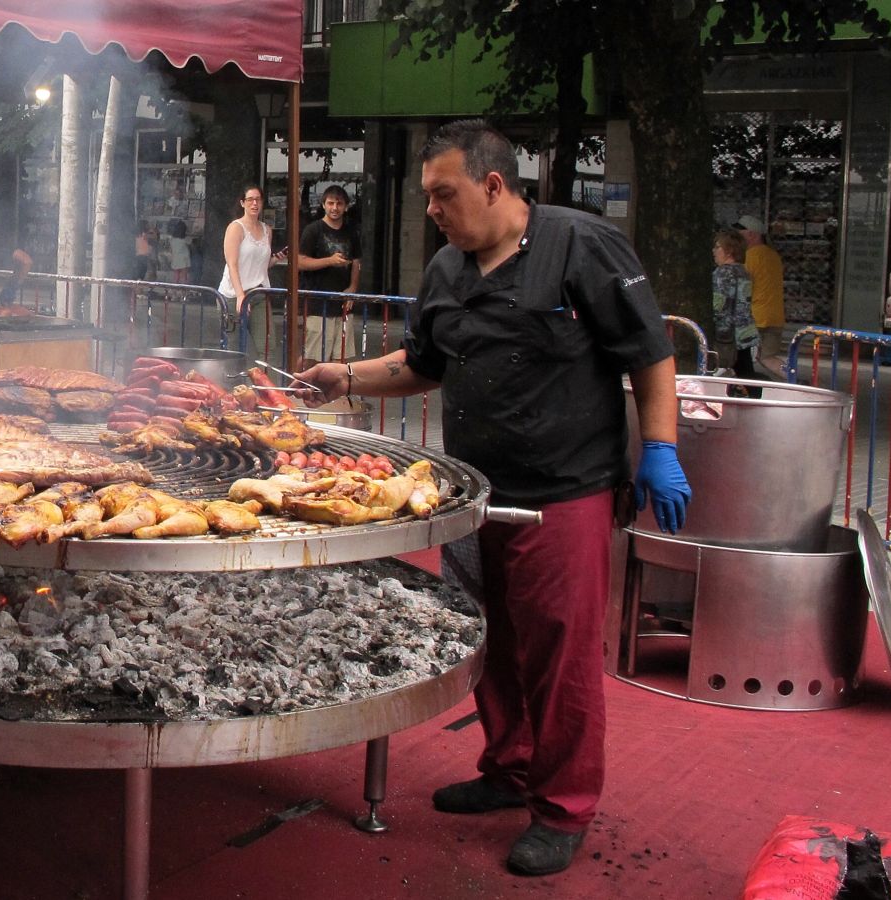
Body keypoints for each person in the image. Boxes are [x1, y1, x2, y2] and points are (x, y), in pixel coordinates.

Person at [295, 120, 691, 878]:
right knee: (491, 641)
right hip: (471, 493)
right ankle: (508, 770)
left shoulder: (581, 246)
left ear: (493, 185)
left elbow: (650, 353)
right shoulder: (447, 268)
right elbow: (422, 364)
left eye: (443, 195)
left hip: (563, 493)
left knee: (559, 654)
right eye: (427, 197)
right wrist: (342, 377)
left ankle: (562, 807)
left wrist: (661, 449)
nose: (434, 210)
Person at [297, 185, 361, 367]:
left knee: (340, 357)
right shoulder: (313, 230)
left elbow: (357, 262)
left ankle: (332, 394)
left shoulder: (351, 231)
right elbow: (300, 262)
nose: (335, 208)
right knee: (312, 355)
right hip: (318, 302)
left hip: (343, 302)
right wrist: (330, 261)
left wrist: (353, 288)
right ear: (323, 205)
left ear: (346, 206)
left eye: (339, 203)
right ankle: (297, 388)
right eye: (331, 203)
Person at [218, 185, 286, 353]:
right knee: (233, 350)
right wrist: (241, 295)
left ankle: (262, 378)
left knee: (267, 347)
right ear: (242, 203)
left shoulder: (266, 230)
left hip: (259, 293)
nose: (254, 203)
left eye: (258, 199)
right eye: (250, 200)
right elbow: (232, 264)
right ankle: (233, 379)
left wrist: (277, 258)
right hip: (233, 295)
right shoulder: (235, 228)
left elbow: (260, 265)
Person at [733, 214, 785, 361]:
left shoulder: (750, 256)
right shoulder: (773, 255)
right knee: (768, 357)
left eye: (740, 233)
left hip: (755, 317)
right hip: (775, 316)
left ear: (751, 234)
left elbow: (743, 286)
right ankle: (794, 379)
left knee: (739, 358)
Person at [712, 228, 759, 381]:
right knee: (744, 369)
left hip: (728, 333)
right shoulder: (743, 271)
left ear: (729, 250)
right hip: (745, 329)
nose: (714, 251)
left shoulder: (723, 273)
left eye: (718, 247)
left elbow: (719, 305)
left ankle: (753, 396)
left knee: (736, 370)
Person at [166, 219, 192, 283]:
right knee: (184, 276)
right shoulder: (186, 240)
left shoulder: (172, 240)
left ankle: (175, 289)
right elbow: (190, 243)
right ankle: (183, 289)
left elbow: (170, 249)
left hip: (175, 259)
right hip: (184, 260)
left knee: (176, 275)